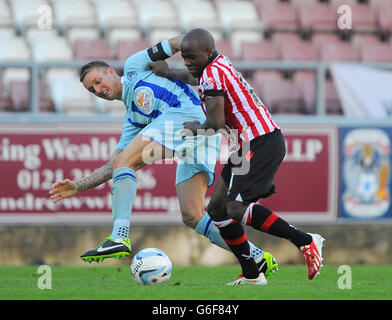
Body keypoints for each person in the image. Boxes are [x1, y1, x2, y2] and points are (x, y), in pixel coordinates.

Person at [48, 35, 279, 279]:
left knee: (126, 162)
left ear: (109, 71)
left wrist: (205, 61)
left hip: (188, 117)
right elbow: (114, 166)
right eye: (90, 89)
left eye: (97, 81)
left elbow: (180, 41)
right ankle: (256, 256)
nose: (97, 89)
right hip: (201, 134)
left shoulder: (134, 66)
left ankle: (119, 235)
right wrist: (78, 186)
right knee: (192, 214)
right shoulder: (132, 120)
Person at [149, 28, 325, 285]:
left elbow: (215, 123)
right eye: (183, 57)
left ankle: (306, 241)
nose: (187, 62)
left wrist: (193, 129)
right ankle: (252, 274)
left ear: (208, 52)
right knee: (217, 210)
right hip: (247, 144)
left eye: (191, 57)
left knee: (235, 207)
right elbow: (197, 77)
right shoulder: (215, 65)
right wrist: (168, 72)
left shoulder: (213, 72)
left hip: (261, 140)